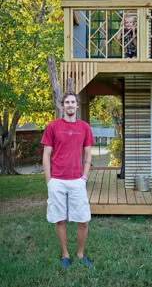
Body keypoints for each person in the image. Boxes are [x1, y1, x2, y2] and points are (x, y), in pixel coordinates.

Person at [41, 92, 94, 268]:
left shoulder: (84, 127)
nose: (70, 105)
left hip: (77, 180)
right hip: (57, 180)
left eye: (73, 102)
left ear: (77, 105)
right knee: (60, 219)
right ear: (62, 106)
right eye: (67, 102)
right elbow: (46, 155)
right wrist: (49, 180)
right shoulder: (53, 126)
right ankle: (65, 255)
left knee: (83, 220)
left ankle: (80, 254)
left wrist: (84, 177)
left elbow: (87, 154)